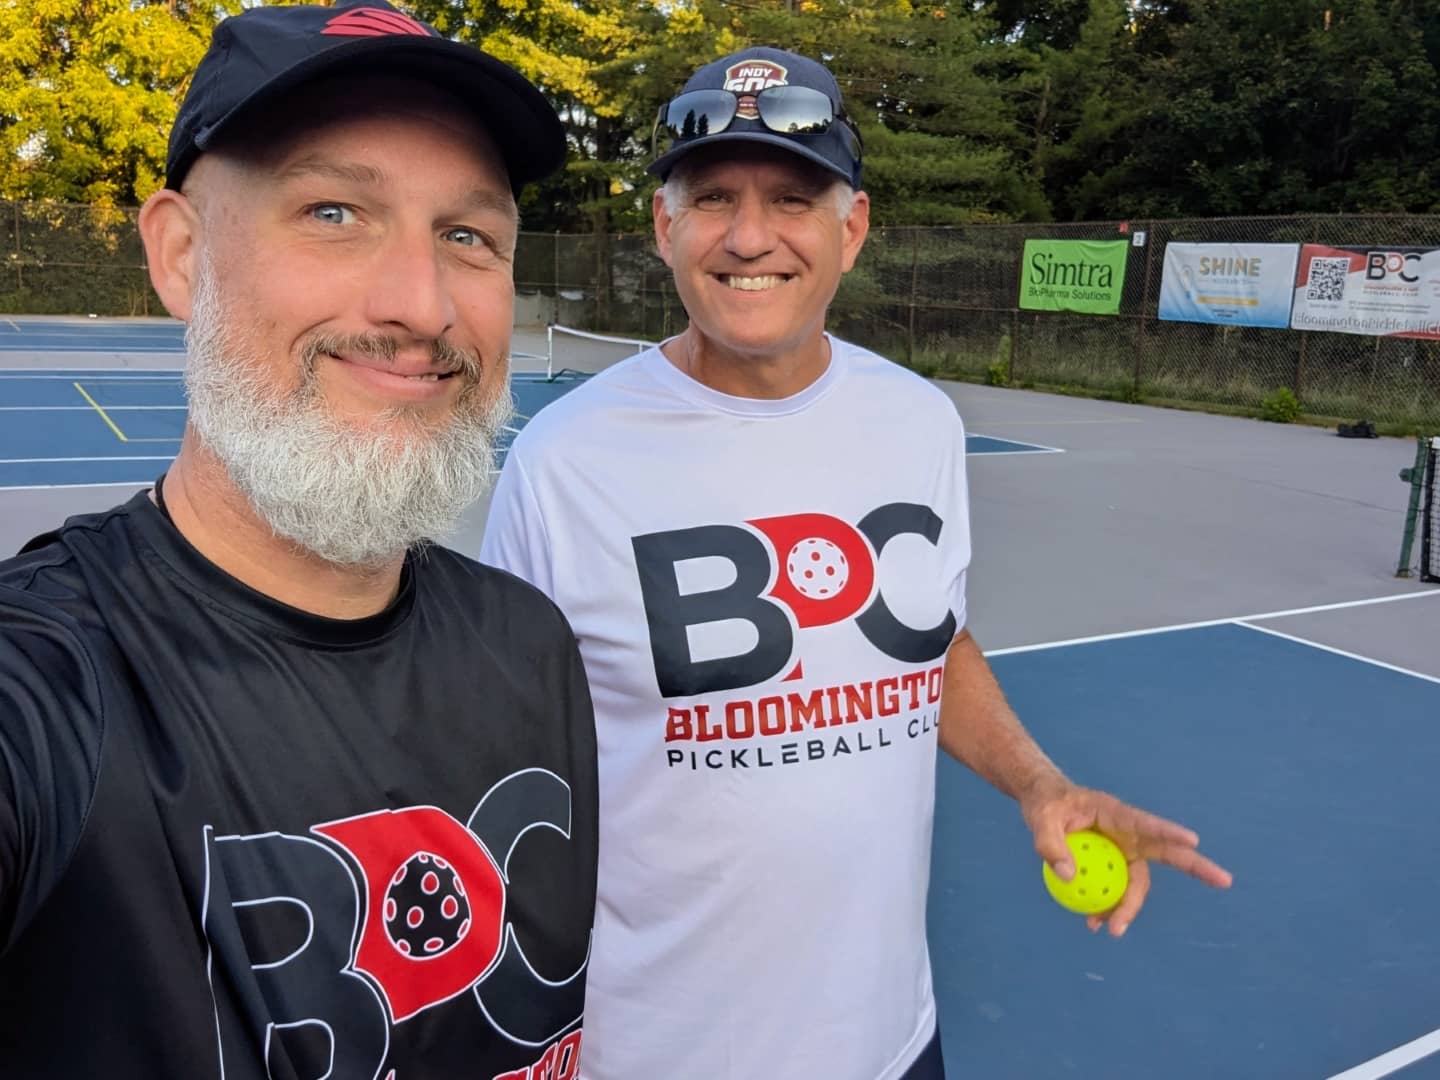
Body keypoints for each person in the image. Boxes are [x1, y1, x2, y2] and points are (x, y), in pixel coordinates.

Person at [480, 46, 1233, 1080]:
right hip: (656, 1054)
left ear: (853, 228)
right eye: (712, 199)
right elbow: (506, 766)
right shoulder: (563, 465)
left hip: (891, 1042)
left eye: (794, 198)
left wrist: (1037, 783)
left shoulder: (916, 423)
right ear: (665, 226)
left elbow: (929, 636)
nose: (751, 237)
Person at [0, 3, 597, 1076]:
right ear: (181, 254)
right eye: (333, 211)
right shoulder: (47, 683)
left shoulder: (530, 643)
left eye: (467, 237)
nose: (422, 306)